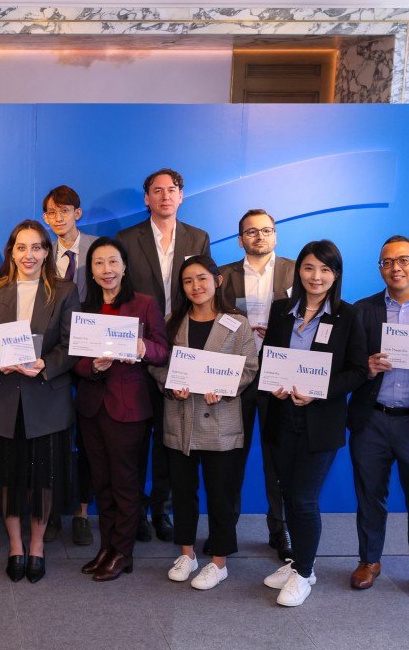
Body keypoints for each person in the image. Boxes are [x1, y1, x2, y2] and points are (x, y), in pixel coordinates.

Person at [261, 240, 367, 606]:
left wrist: (318, 391)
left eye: (325, 269)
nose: (316, 276)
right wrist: (272, 384)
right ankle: (298, 563)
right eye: (309, 268)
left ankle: (305, 572)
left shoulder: (349, 316)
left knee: (304, 499)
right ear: (298, 271)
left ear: (335, 274)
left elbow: (357, 372)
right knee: (288, 494)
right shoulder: (280, 311)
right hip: (282, 417)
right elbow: (268, 361)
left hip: (320, 423)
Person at [0, 220, 79, 584]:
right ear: (12, 252)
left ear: (47, 252)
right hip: (1, 399)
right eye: (21, 247)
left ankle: (37, 545)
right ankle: (15, 545)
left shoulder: (64, 291)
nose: (29, 255)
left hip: (45, 400)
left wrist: (45, 365)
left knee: (42, 478)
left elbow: (71, 346)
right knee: (7, 477)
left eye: (37, 247)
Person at [152, 255, 258, 590]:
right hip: (180, 418)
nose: (195, 287)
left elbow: (249, 367)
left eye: (202, 279)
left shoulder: (237, 322)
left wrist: (225, 389)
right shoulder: (173, 320)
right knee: (183, 492)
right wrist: (172, 383)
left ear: (217, 280)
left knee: (221, 494)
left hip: (220, 421)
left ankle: (219, 561)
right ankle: (187, 553)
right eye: (187, 281)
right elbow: (156, 364)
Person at [116, 168, 211, 543]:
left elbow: (205, 287)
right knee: (138, 437)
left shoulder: (198, 237)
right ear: (147, 199)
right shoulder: (127, 238)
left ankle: (163, 509)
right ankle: (137, 510)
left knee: (173, 435)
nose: (164, 196)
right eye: (157, 191)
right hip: (140, 349)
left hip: (185, 347)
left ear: (181, 195)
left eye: (171, 190)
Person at [73, 237, 168, 581]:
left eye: (112, 262)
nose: (106, 270)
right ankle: (107, 547)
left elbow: (163, 350)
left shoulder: (144, 304)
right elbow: (76, 363)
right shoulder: (85, 308)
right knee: (102, 483)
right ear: (92, 271)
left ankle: (123, 553)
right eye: (98, 264)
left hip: (128, 409)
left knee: (126, 484)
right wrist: (94, 366)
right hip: (91, 408)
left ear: (125, 266)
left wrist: (142, 346)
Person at [347, 235, 409, 602]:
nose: (394, 268)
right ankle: (369, 560)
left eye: (402, 260)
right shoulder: (361, 310)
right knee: (369, 495)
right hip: (372, 420)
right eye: (386, 262)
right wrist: (365, 369)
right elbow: (347, 367)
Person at [218, 209, 295, 561]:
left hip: (281, 377)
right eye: (251, 232)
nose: (259, 237)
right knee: (232, 456)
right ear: (240, 239)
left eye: (266, 231)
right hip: (238, 376)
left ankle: (280, 531)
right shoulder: (223, 277)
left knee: (278, 461)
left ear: (275, 235)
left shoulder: (298, 271)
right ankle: (225, 530)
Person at [42, 186, 98, 546]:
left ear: (78, 213)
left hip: (94, 358)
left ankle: (80, 512)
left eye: (64, 210)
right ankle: (51, 511)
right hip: (54, 358)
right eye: (50, 212)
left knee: (89, 439)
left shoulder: (98, 249)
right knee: (53, 438)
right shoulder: (39, 253)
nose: (57, 218)